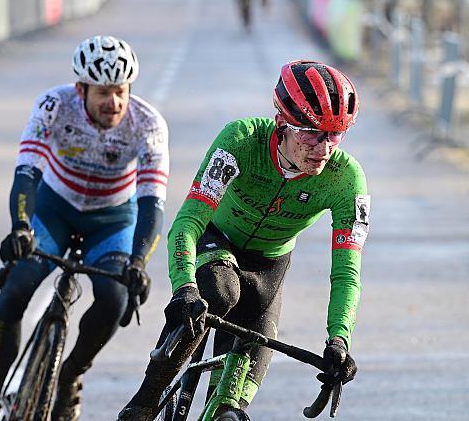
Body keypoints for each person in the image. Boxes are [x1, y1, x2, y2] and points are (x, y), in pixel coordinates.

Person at [118, 60, 368, 420]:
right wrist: (184, 287)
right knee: (219, 292)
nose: (324, 147)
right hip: (215, 242)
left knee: (229, 411)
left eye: (335, 134)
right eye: (312, 133)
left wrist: (339, 340)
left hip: (268, 270)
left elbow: (347, 272)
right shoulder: (241, 140)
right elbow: (187, 222)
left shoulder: (346, 179)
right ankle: (144, 400)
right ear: (282, 122)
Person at [0, 35, 170, 421]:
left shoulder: (148, 125)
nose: (113, 103)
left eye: (120, 92)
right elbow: (27, 171)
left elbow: (152, 202)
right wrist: (21, 228)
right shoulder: (54, 106)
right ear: (81, 89)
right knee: (15, 290)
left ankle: (71, 373)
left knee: (114, 300)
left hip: (111, 220)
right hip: (55, 210)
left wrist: (139, 261)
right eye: (103, 93)